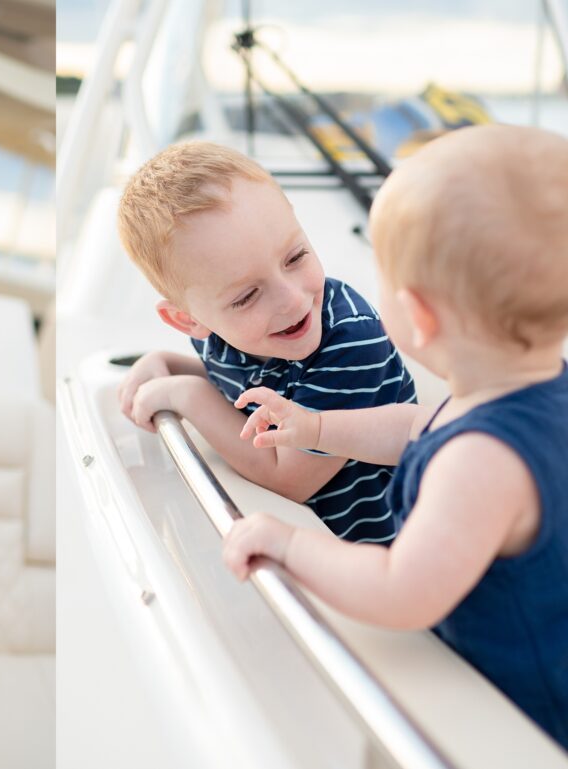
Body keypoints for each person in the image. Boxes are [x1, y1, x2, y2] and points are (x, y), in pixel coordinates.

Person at [222, 124, 568, 748]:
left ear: (421, 316)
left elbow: (401, 591)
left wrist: (289, 545)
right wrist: (316, 426)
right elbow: (418, 425)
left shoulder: (482, 462)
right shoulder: (531, 388)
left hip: (517, 719)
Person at [117, 142, 415, 543]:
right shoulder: (227, 336)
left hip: (390, 554)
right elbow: (244, 385)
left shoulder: (351, 342)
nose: (292, 299)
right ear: (189, 320)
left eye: (295, 258)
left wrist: (188, 395)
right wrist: (167, 363)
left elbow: (288, 477)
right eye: (246, 296)